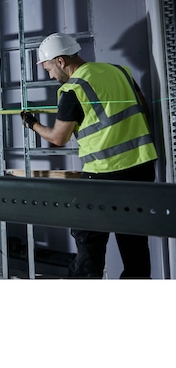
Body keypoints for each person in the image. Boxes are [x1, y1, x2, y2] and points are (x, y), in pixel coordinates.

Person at [20, 33, 158, 279]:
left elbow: (58, 138)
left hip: (105, 173)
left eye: (49, 68)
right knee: (134, 243)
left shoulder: (73, 89)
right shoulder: (119, 70)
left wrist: (32, 124)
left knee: (88, 242)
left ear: (61, 61)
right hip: (142, 167)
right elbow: (143, 109)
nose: (50, 76)